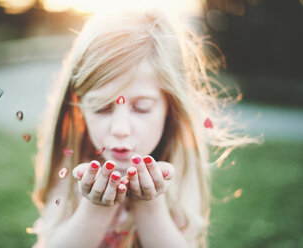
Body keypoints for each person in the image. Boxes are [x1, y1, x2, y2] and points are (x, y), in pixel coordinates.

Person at [30, 9, 258, 248]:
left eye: (141, 108)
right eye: (102, 108)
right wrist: (96, 207)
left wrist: (149, 204)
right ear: (80, 109)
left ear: (171, 108)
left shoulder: (180, 167)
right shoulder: (72, 163)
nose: (120, 129)